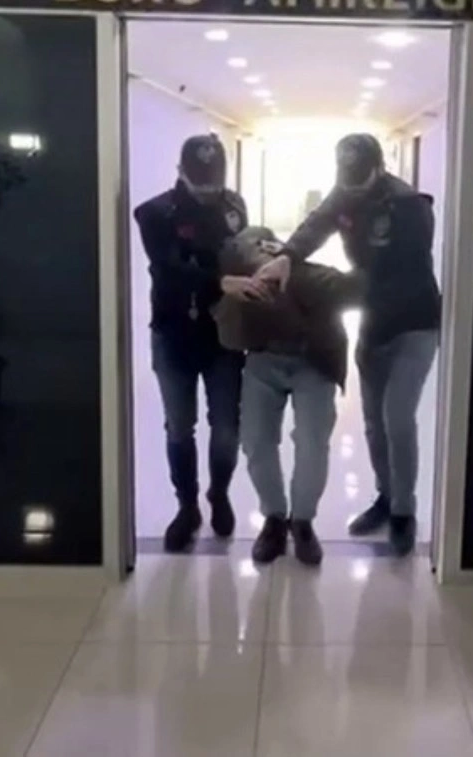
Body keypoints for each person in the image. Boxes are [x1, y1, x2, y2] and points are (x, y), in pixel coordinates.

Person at [256, 133, 440, 556]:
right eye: (346, 180)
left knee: (397, 417)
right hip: (374, 325)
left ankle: (404, 512)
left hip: (414, 323)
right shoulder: (343, 193)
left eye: (359, 181)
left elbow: (403, 277)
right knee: (373, 421)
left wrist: (327, 290)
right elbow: (315, 225)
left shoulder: (409, 206)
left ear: (379, 168)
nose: (351, 188)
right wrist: (287, 255)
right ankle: (385, 497)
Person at [134, 135, 266, 552]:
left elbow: (241, 253)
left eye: (215, 184)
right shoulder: (154, 213)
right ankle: (187, 506)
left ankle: (219, 494)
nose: (210, 193)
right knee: (179, 427)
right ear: (180, 172)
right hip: (173, 333)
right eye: (201, 185)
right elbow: (169, 269)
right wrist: (220, 281)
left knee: (226, 428)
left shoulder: (234, 205)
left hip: (223, 335)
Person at [213, 227, 362, 566]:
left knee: (312, 442)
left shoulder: (316, 279)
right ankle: (274, 519)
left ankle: (303, 522)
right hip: (264, 359)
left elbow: (358, 291)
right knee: (255, 440)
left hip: (314, 361)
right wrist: (230, 289)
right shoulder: (234, 270)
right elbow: (224, 325)